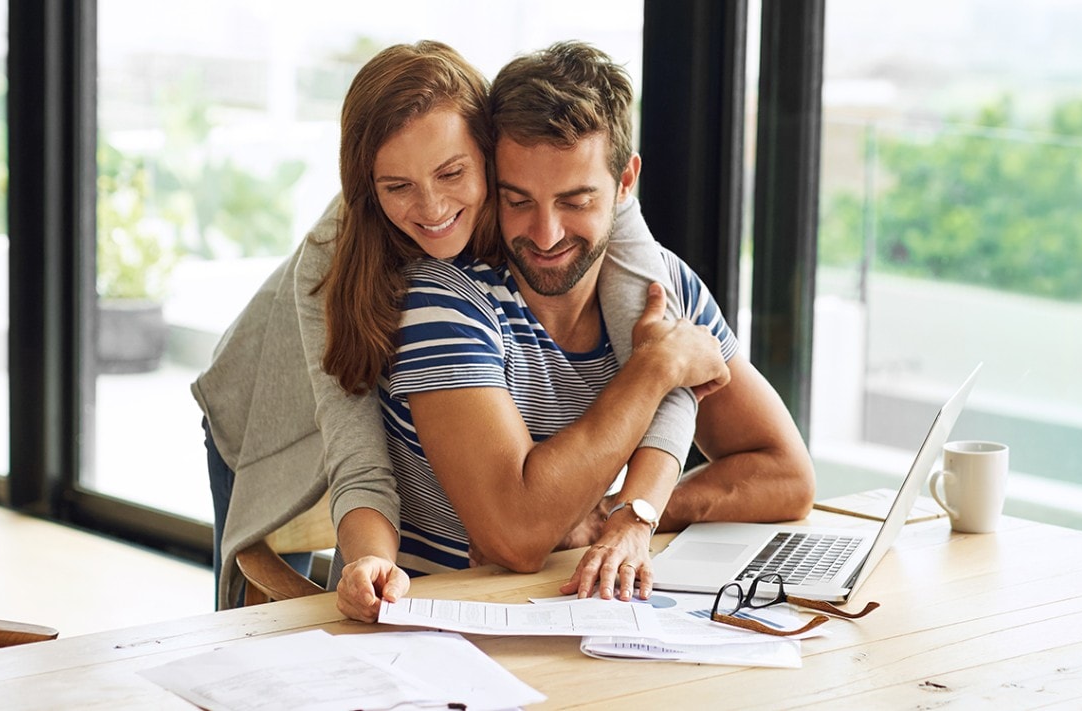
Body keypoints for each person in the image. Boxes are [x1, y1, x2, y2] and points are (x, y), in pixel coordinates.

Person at [192, 40, 711, 611]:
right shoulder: (334, 251)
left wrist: (630, 508)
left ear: (488, 153)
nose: (433, 208)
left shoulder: (566, 193)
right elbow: (357, 450)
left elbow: (661, 345)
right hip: (270, 410)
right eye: (397, 187)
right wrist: (373, 559)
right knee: (261, 624)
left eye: (452, 173)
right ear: (369, 185)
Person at [335, 41, 815, 621]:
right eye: (518, 200)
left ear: (624, 182)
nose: (545, 233)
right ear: (494, 179)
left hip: (579, 618)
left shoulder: (662, 286)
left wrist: (624, 512)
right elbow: (516, 535)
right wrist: (654, 370)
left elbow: (786, 475)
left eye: (576, 200)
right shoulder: (444, 300)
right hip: (453, 629)